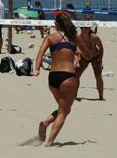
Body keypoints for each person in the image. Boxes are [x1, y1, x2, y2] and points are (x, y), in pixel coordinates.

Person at [31, 13, 97, 146]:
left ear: (57, 25)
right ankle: (49, 140)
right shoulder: (74, 38)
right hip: (68, 77)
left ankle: (45, 124)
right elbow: (89, 56)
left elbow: (40, 54)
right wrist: (95, 51)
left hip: (53, 77)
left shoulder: (50, 37)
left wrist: (36, 69)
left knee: (64, 108)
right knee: (64, 111)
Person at [76, 26, 105, 100]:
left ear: (89, 29)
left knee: (98, 76)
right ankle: (74, 95)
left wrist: (101, 61)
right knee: (76, 76)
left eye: (85, 28)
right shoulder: (78, 37)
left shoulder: (94, 37)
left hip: (95, 57)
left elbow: (101, 48)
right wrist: (76, 60)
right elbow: (76, 49)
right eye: (82, 28)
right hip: (84, 58)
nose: (83, 30)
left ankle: (101, 97)